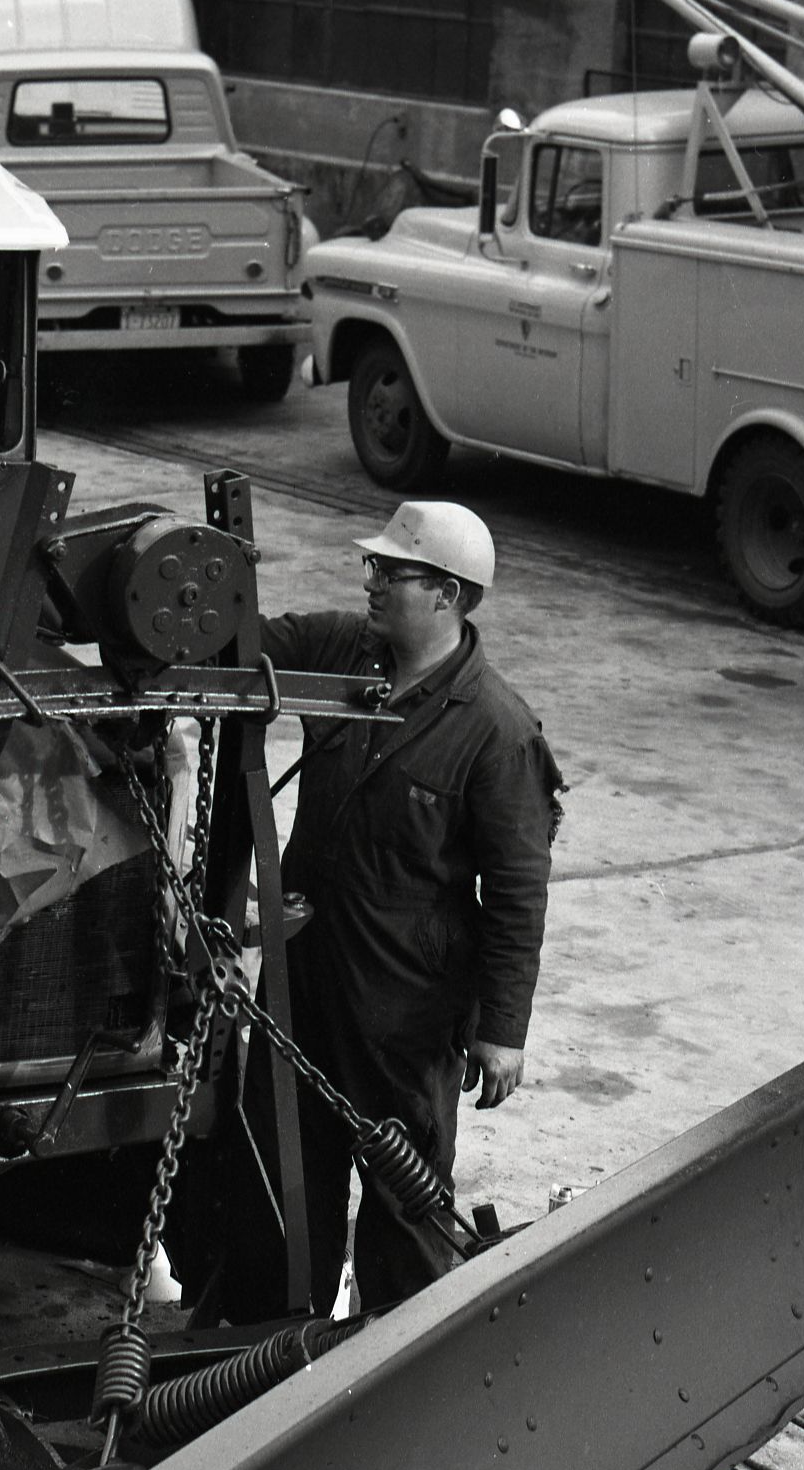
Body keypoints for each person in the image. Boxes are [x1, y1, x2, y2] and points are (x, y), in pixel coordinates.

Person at [202, 499, 563, 1322]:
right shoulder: (340, 650)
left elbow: (515, 895)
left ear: (446, 593)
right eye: (371, 568)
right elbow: (238, 641)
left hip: (404, 1002)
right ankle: (261, 1357)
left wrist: (502, 1029)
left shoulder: (496, 730)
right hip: (304, 977)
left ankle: (392, 1358)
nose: (369, 584)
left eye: (388, 573)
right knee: (279, 1179)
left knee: (404, 1201)